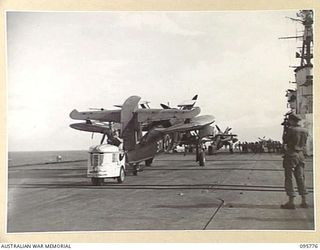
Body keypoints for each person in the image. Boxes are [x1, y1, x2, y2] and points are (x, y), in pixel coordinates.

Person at [281, 113, 309, 209]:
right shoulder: (305, 130)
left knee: (289, 177)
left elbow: (285, 140)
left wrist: (285, 129)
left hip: (291, 155)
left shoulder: (291, 130)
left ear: (292, 120)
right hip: (301, 155)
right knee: (300, 177)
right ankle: (304, 200)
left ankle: (291, 202)